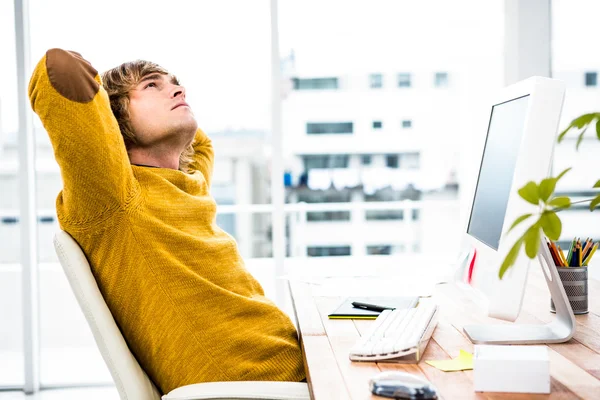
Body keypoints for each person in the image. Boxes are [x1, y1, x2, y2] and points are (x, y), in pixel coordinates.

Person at [28, 48, 305, 394]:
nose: (178, 91)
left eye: (176, 84)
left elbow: (201, 147)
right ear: (112, 120)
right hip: (261, 388)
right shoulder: (114, 196)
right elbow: (59, 68)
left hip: (299, 365)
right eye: (151, 86)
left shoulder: (189, 185)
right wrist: (113, 125)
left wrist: (166, 109)